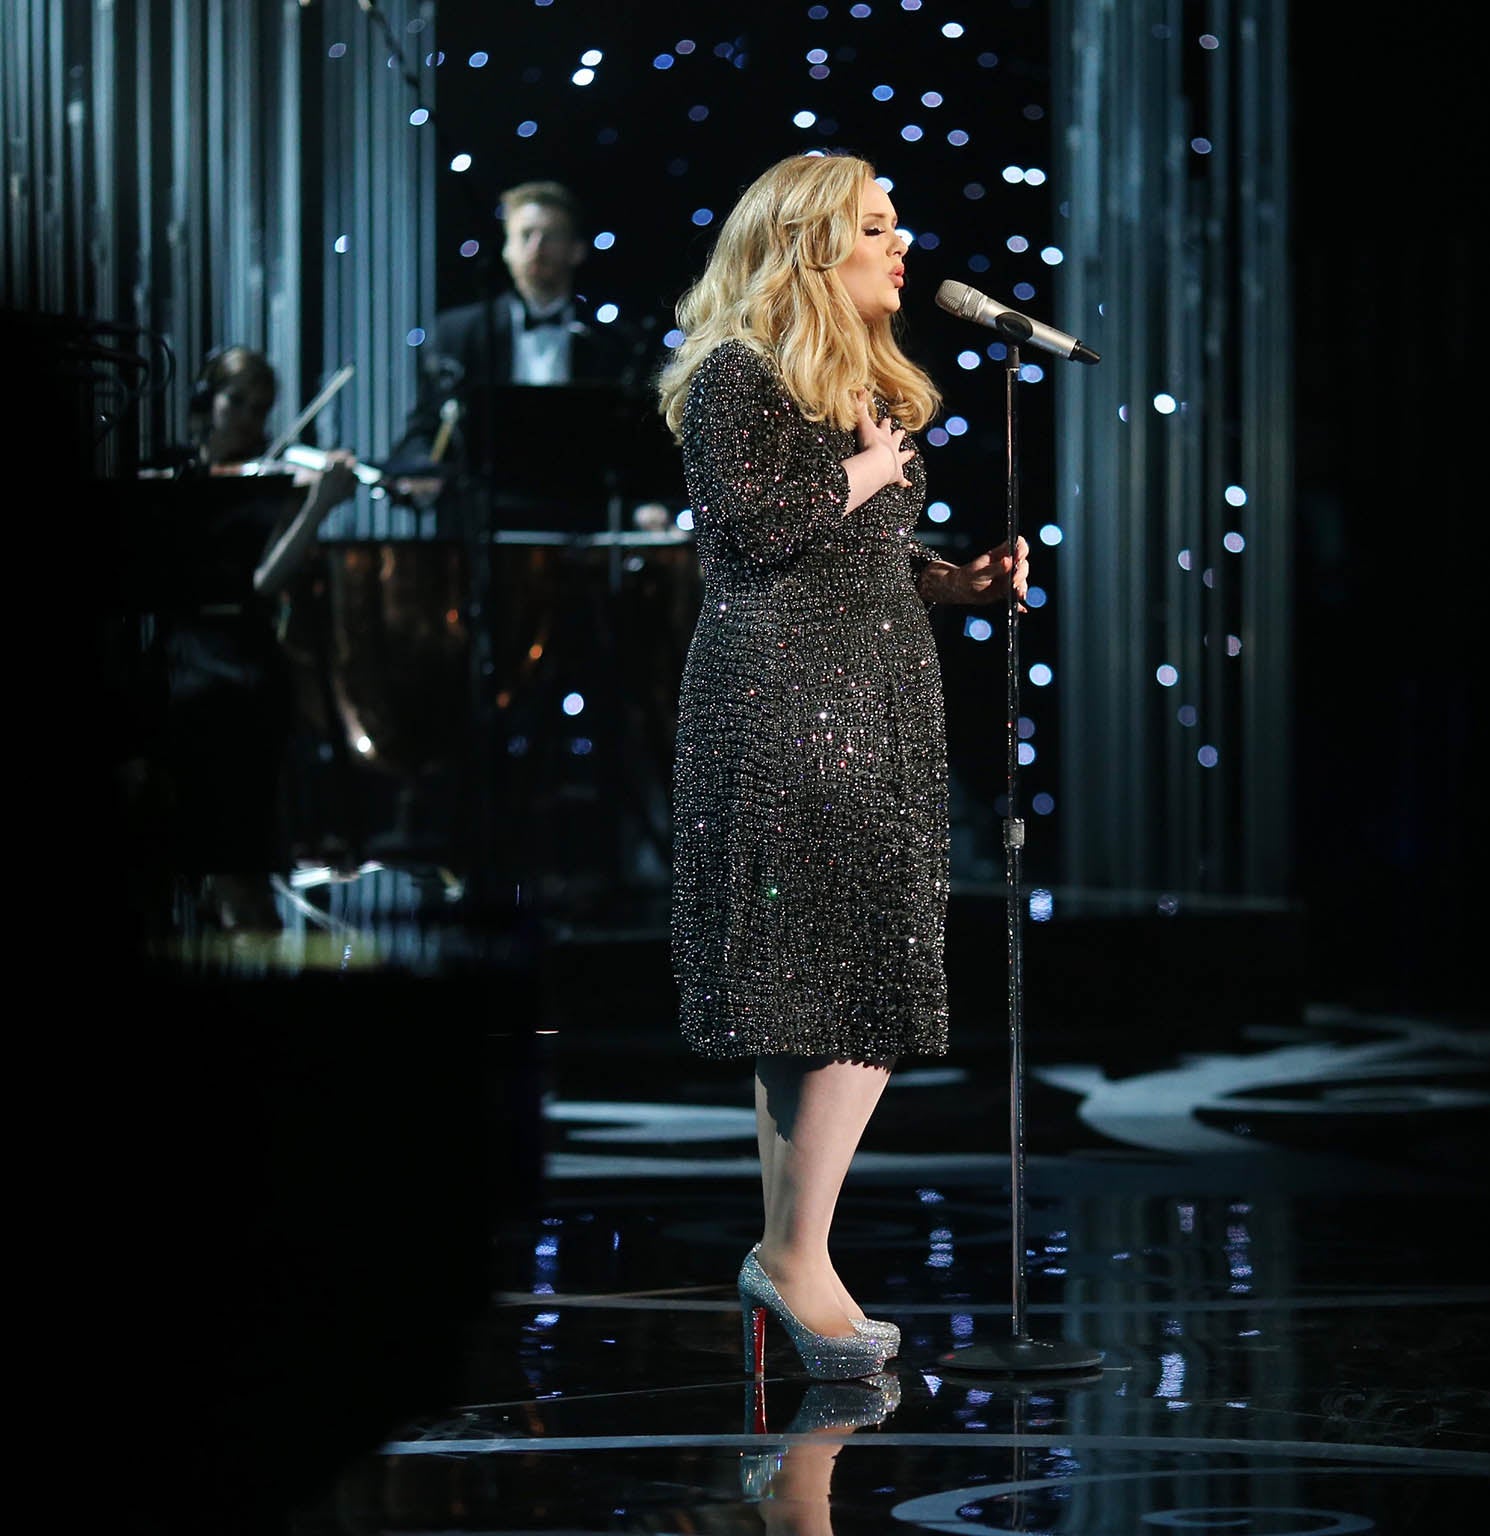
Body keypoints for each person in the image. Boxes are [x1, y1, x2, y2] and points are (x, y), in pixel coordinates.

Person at [655, 152, 1029, 1381]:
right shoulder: (733, 376)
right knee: (835, 970)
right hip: (782, 706)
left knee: (832, 976)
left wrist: (952, 578)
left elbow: (860, 549)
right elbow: (751, 535)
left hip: (872, 693)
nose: (902, 242)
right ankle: (796, 1254)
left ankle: (790, 1255)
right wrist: (864, 468)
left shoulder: (851, 386)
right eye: (876, 226)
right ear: (812, 247)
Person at [131, 345, 362, 932]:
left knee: (242, 729)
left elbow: (263, 583)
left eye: (261, 409)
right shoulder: (168, 470)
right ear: (208, 399)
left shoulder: (273, 482)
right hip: (179, 644)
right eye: (237, 401)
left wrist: (316, 507)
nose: (248, 420)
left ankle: (246, 905)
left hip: (243, 651)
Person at [389, 180, 643, 523]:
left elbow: (634, 444)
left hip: (582, 522)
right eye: (525, 235)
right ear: (507, 249)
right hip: (482, 524)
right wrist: (420, 469)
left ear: (577, 249)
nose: (537, 248)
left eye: (550, 236)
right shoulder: (458, 332)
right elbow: (426, 426)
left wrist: (645, 505)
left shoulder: (614, 343)